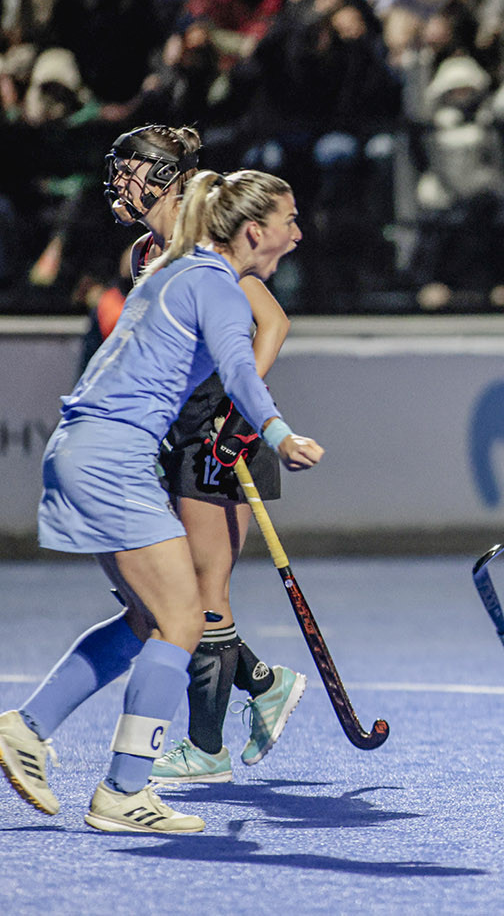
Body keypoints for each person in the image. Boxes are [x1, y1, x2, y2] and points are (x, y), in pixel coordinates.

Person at [0, 169, 322, 834]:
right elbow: (239, 368)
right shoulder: (217, 286)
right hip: (114, 459)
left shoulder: (175, 269)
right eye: (289, 219)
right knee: (184, 617)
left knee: (151, 620)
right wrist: (278, 434)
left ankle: (28, 727)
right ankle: (123, 791)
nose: (298, 233)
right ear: (254, 230)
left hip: (87, 449)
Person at [102, 125, 308, 786]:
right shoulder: (144, 253)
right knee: (176, 592)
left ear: (164, 178)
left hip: (223, 435)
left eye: (129, 171)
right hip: (180, 435)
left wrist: (243, 409)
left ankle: (207, 748)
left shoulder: (202, 247)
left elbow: (272, 322)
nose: (117, 183)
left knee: (202, 590)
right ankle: (263, 683)